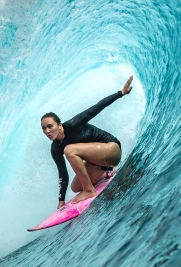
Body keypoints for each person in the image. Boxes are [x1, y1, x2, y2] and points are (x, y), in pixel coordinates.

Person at [41, 76, 134, 208]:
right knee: (76, 187)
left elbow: (97, 107)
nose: (47, 131)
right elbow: (63, 173)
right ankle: (108, 172)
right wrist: (61, 200)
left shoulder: (74, 124)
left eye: (50, 126)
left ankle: (89, 190)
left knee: (70, 150)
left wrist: (121, 93)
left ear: (60, 125)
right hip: (98, 161)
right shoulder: (55, 148)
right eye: (44, 128)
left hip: (111, 149)